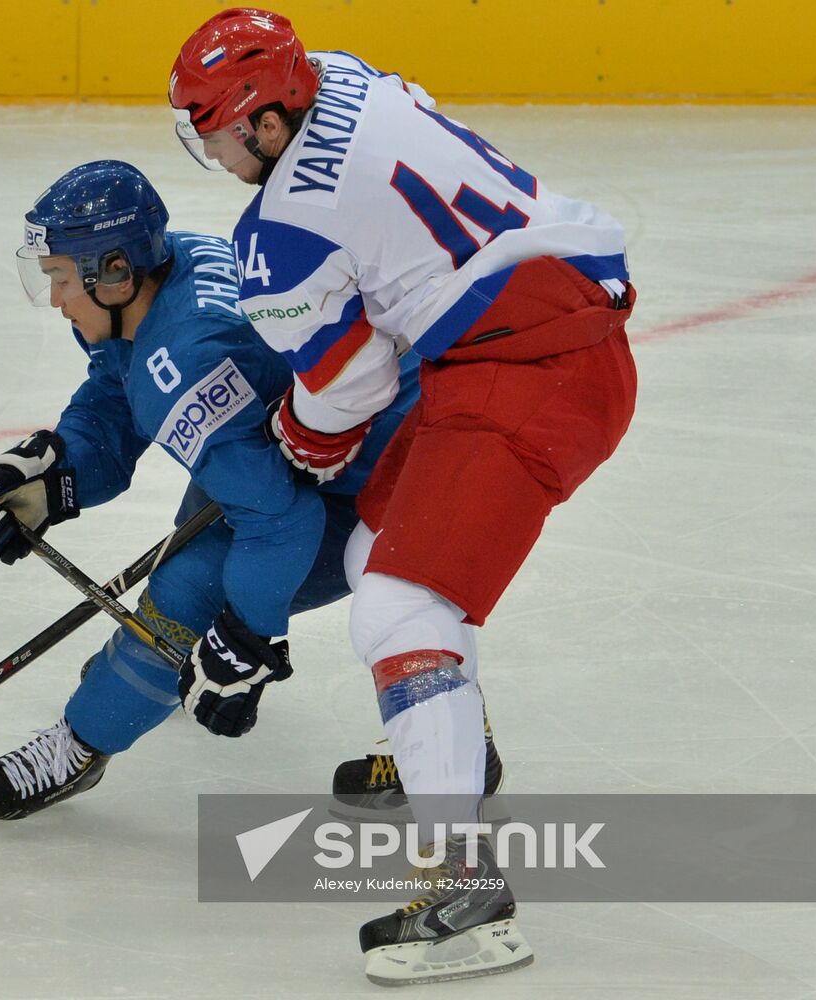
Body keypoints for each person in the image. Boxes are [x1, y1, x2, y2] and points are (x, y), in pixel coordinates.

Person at [169, 8, 638, 987]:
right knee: (368, 548)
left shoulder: (279, 235)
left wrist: (293, 440)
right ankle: (454, 755)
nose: (207, 149)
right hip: (521, 334)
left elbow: (348, 390)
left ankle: (468, 894)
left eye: (215, 127)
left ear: (263, 121)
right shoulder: (338, 74)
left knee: (397, 602)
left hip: (535, 366)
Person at [0, 159, 422, 822]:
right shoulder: (164, 280)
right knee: (195, 568)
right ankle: (148, 672)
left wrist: (247, 639)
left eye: (60, 279)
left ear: (113, 270)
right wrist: (50, 477)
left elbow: (280, 521)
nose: (55, 299)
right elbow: (116, 396)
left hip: (380, 483)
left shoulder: (188, 358)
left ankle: (77, 746)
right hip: (301, 455)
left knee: (185, 594)